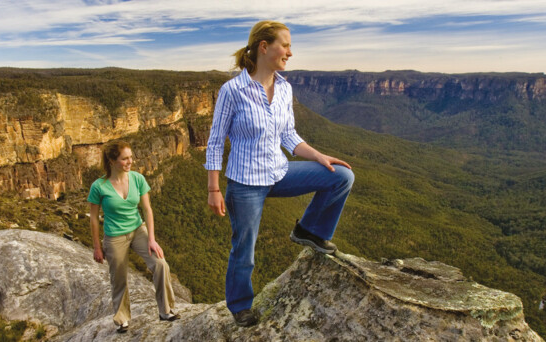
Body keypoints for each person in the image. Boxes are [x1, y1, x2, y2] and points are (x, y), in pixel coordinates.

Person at [204, 20, 355, 327]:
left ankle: (310, 231)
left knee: (341, 177)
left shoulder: (285, 89)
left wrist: (320, 157)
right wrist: (214, 188)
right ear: (264, 47)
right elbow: (215, 141)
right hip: (245, 183)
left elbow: (289, 137)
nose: (290, 52)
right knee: (244, 248)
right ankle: (240, 305)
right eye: (285, 45)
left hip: (280, 172)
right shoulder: (233, 90)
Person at [88, 140, 179, 334]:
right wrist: (97, 246)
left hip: (138, 230)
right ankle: (122, 319)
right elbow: (94, 219)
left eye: (131, 157)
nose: (130, 161)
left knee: (160, 264)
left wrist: (152, 239)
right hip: (114, 236)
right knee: (119, 277)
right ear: (112, 161)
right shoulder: (99, 186)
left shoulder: (137, 179)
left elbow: (147, 210)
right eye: (125, 159)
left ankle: (166, 310)